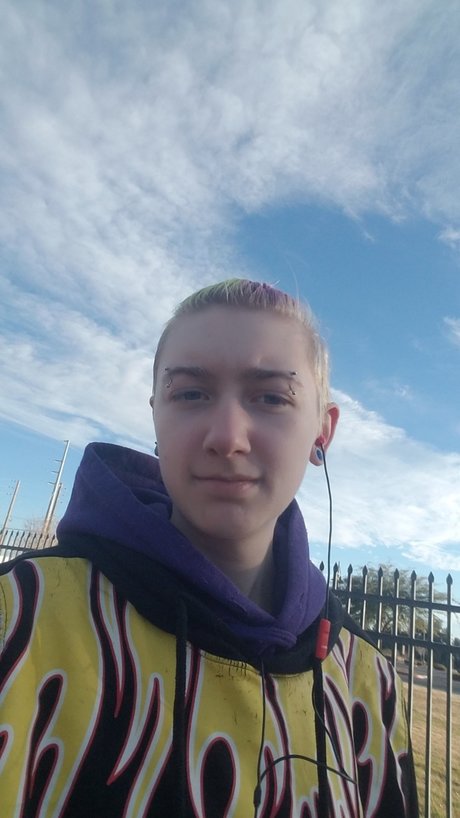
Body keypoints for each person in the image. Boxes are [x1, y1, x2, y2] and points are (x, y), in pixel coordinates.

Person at [0, 279, 418, 817]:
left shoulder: (369, 686)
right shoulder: (19, 621)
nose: (227, 436)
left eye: (271, 397)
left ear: (323, 430)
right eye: (191, 393)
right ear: (156, 413)